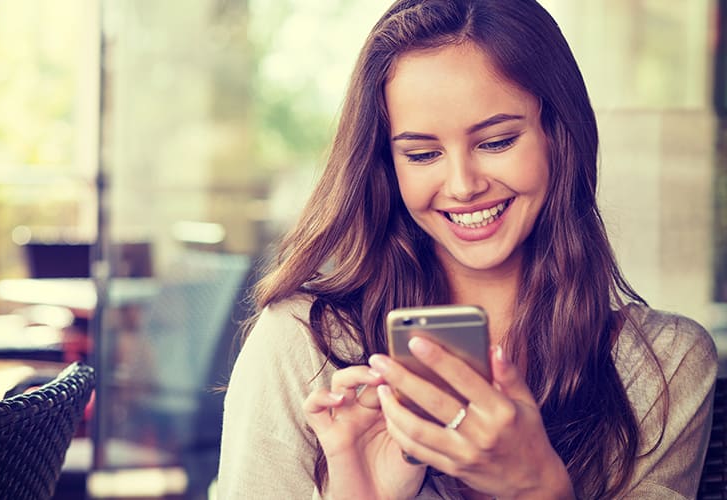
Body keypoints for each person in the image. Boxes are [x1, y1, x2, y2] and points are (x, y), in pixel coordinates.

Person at [217, 0, 718, 498]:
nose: (461, 185)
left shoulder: (665, 367)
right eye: (422, 154)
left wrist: (536, 488)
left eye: (496, 142)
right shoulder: (300, 343)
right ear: (387, 166)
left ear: (559, 135)